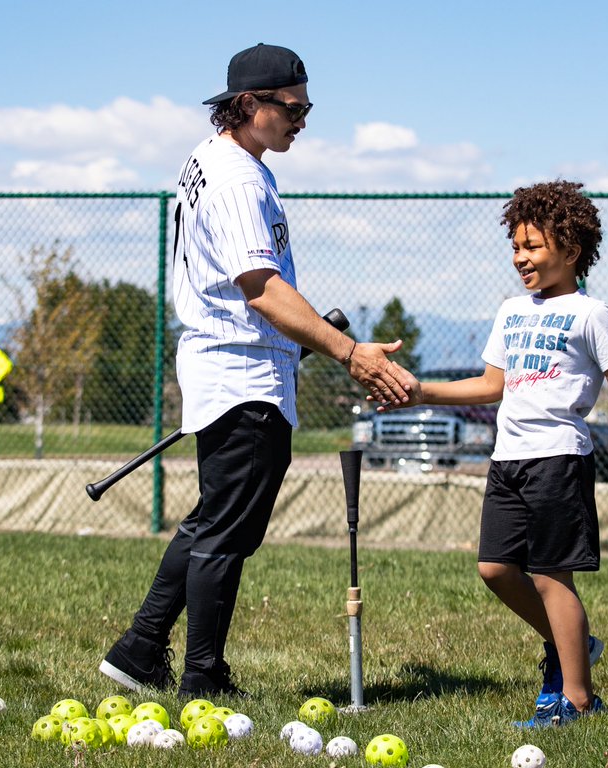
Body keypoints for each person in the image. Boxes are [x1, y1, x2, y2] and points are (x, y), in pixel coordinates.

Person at [100, 43, 415, 698]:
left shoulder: (211, 159)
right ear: (248, 105)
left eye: (307, 108)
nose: (302, 120)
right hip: (242, 372)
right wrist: (348, 352)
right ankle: (203, 678)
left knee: (216, 518)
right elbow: (261, 289)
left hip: (228, 359)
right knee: (227, 530)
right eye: (292, 108)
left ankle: (140, 648)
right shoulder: (241, 179)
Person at [378, 180, 608, 726]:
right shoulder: (512, 310)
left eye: (533, 247)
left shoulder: (591, 314)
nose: (521, 258)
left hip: (559, 458)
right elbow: (493, 384)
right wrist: (418, 393)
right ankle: (575, 645)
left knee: (552, 576)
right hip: (507, 459)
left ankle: (578, 699)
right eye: (516, 247)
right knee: (494, 569)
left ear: (571, 250)